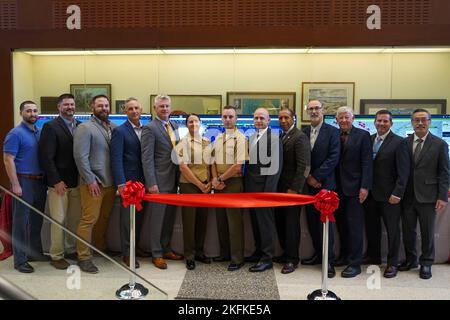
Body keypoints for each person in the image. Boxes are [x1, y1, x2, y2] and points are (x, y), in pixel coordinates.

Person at [400, 108, 449, 279]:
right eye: (416, 120)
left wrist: (442, 196)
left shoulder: (439, 144)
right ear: (412, 122)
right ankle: (410, 260)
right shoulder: (404, 143)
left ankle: (426, 263)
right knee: (408, 231)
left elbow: (444, 173)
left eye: (423, 120)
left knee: (427, 232)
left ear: (430, 122)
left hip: (429, 196)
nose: (420, 123)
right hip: (407, 195)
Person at [73, 94, 117, 273]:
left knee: (104, 219)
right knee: (89, 220)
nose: (104, 108)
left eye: (106, 106)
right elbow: (80, 156)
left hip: (110, 183)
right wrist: (90, 180)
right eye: (100, 106)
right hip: (93, 183)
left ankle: (99, 248)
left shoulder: (113, 127)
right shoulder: (85, 128)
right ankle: (83, 256)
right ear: (92, 107)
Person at [3, 100, 48, 273]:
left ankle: (34, 253)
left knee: (37, 220)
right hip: (23, 181)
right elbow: (8, 160)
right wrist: (15, 184)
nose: (33, 114)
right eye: (28, 111)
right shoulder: (15, 134)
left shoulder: (39, 132)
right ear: (21, 113)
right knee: (21, 222)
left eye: (35, 111)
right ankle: (20, 260)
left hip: (39, 181)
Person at [364, 110, 409, 278]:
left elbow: (403, 172)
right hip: (371, 194)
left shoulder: (399, 142)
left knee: (392, 231)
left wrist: (398, 192)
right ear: (374, 122)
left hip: (390, 196)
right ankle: (373, 257)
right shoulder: (368, 140)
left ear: (391, 123)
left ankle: (392, 263)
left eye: (385, 121)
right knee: (372, 228)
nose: (381, 124)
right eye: (379, 121)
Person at [39, 93, 82, 270]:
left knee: (73, 220)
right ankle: (56, 255)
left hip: (77, 182)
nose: (70, 107)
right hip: (59, 184)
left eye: (72, 104)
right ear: (59, 107)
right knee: (59, 219)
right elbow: (46, 157)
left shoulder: (80, 126)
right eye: (66, 105)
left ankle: (71, 250)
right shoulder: (50, 126)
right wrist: (56, 180)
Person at [141, 94, 183, 270]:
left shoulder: (173, 125)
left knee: (168, 219)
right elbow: (147, 158)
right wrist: (151, 182)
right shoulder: (150, 128)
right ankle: (156, 253)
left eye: (167, 106)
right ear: (155, 108)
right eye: (161, 106)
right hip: (158, 181)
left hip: (173, 180)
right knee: (158, 219)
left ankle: (166, 248)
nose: (165, 109)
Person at [302, 100, 340, 278]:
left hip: (325, 186)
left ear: (323, 110)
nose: (314, 111)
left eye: (317, 108)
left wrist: (317, 177)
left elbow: (333, 157)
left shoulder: (333, 132)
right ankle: (318, 255)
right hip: (307, 186)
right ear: (307, 112)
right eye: (311, 109)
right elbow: (301, 157)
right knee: (312, 223)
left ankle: (329, 261)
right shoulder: (303, 131)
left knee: (326, 225)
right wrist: (308, 177)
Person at [110, 97, 150, 269]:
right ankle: (127, 253)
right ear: (125, 112)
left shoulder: (146, 129)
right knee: (128, 220)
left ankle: (136, 247)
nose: (134, 111)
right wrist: (121, 184)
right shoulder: (120, 131)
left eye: (137, 108)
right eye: (130, 108)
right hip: (128, 183)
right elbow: (116, 159)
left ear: (141, 110)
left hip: (143, 182)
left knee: (139, 217)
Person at [334, 106, 373, 278]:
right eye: (340, 117)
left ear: (353, 118)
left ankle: (355, 263)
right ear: (336, 120)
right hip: (336, 189)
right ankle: (343, 256)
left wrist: (365, 186)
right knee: (341, 225)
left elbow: (367, 163)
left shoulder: (363, 136)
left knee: (355, 227)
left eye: (346, 117)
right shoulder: (333, 135)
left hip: (355, 188)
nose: (343, 120)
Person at [245, 108, 282, 272]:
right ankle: (258, 251)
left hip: (264, 191)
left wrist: (268, 193)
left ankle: (267, 258)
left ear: (268, 121)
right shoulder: (252, 137)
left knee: (266, 224)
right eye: (256, 118)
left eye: (262, 118)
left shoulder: (274, 139)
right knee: (256, 223)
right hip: (251, 190)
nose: (258, 121)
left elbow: (275, 168)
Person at [274, 107, 310, 274]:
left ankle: (292, 259)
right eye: (280, 118)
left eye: (286, 117)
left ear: (293, 119)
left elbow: (305, 166)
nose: (283, 120)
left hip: (292, 191)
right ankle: (285, 253)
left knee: (291, 225)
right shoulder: (281, 136)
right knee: (281, 222)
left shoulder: (300, 137)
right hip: (280, 190)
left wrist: (295, 189)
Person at [212, 105, 248, 271]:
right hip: (219, 184)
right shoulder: (219, 138)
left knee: (234, 223)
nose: (227, 119)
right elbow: (212, 160)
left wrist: (219, 178)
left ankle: (237, 258)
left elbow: (237, 167)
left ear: (236, 119)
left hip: (233, 183)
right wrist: (214, 179)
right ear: (221, 118)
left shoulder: (241, 139)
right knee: (221, 221)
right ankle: (225, 253)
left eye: (231, 117)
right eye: (225, 117)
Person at [175, 114, 212, 270]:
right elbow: (183, 167)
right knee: (189, 223)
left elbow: (210, 165)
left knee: (202, 221)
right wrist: (199, 184)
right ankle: (189, 255)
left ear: (200, 123)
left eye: (196, 121)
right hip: (189, 186)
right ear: (187, 125)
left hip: (205, 186)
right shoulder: (181, 143)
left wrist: (209, 183)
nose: (193, 123)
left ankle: (199, 251)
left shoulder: (207, 142)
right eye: (190, 121)